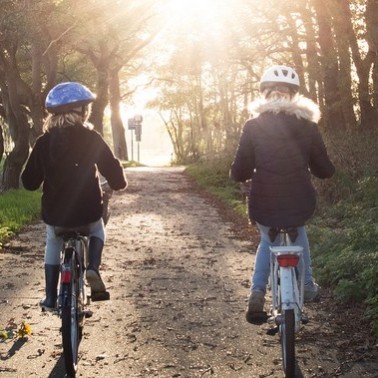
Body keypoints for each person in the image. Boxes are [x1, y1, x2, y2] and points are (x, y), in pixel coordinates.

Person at [230, 65, 335, 324]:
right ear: (293, 96)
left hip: (263, 200)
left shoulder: (253, 126)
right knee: (299, 231)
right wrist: (319, 167)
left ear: (265, 95)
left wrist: (239, 174)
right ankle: (307, 285)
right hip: (299, 199)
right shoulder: (308, 126)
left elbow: (240, 170)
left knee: (268, 239)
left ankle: (256, 293)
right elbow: (324, 170)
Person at [21, 82, 127, 310]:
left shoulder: (43, 143)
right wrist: (117, 180)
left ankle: (50, 297)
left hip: (56, 216)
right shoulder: (92, 138)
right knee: (98, 229)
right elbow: (116, 178)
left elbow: (28, 183)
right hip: (88, 213)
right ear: (82, 111)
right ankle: (93, 269)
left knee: (53, 240)